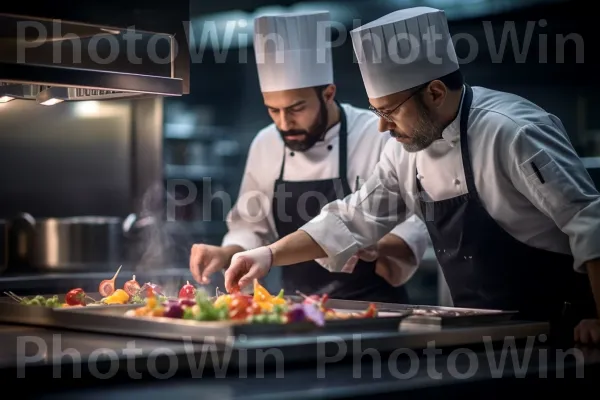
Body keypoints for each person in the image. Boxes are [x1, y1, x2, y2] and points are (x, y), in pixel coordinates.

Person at [223, 7, 600, 344]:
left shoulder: (512, 131)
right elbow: (351, 219)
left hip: (561, 329)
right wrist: (268, 255)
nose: (383, 128)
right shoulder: (404, 151)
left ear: (435, 92)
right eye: (376, 113)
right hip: (480, 333)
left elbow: (588, 221)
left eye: (390, 112)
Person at [189, 11, 429, 303]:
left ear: (328, 94)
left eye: (296, 108)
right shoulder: (267, 143)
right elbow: (251, 225)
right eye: (272, 110)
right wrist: (226, 253)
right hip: (296, 308)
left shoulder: (377, 133)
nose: (284, 123)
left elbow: (415, 225)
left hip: (374, 305)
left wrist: (376, 244)